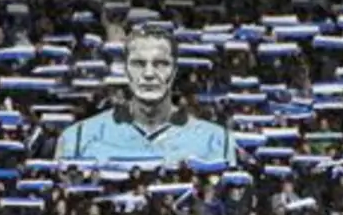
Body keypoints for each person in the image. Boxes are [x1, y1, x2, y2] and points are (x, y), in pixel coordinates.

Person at [55, 27, 235, 167]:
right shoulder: (77, 138)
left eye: (160, 63)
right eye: (139, 64)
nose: (149, 73)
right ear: (126, 70)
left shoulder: (217, 140)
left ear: (174, 72)